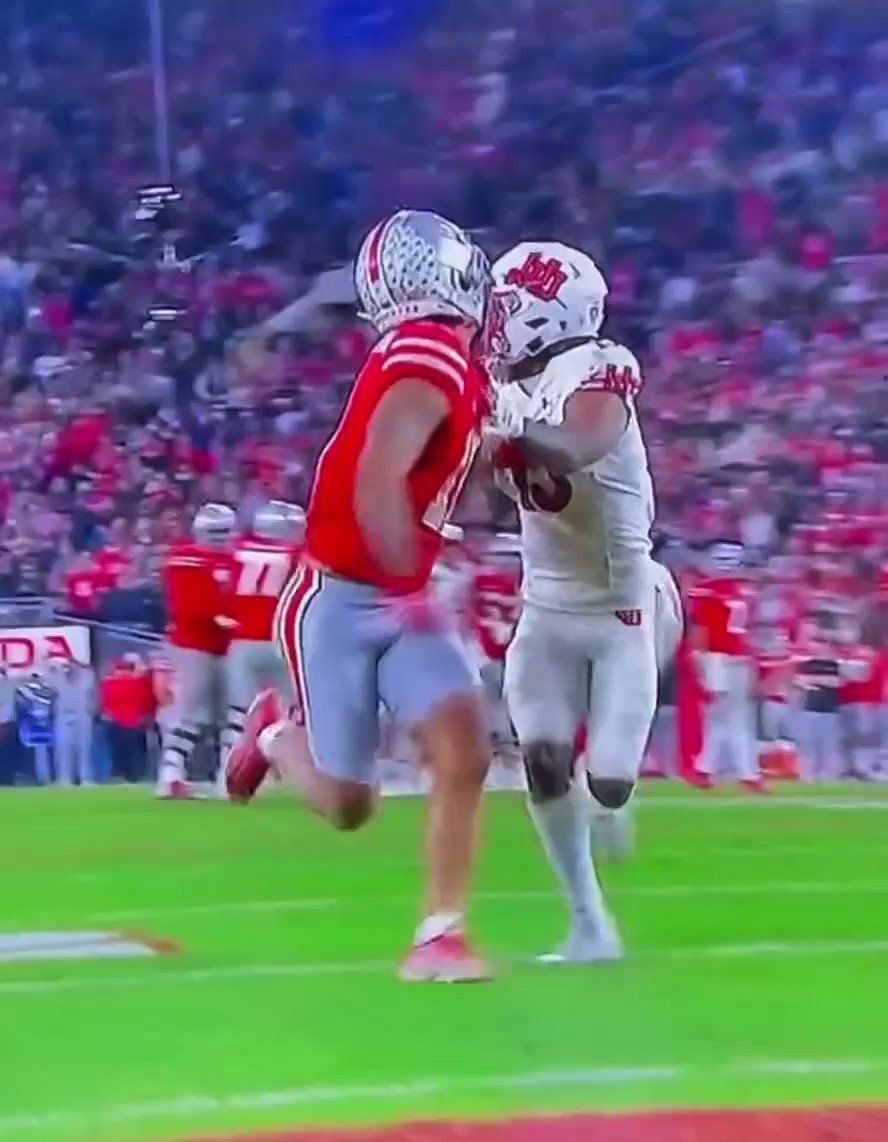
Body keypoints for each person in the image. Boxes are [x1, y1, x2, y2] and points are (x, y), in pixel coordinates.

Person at [226, 209, 494, 982]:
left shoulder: (448, 361)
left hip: (393, 585)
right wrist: (410, 578)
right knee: (349, 805)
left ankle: (439, 935)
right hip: (343, 595)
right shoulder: (429, 356)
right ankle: (276, 733)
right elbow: (379, 478)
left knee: (464, 747)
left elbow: (431, 474)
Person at [485, 241, 680, 963]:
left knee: (609, 781)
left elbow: (574, 446)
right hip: (546, 605)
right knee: (539, 760)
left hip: (620, 605)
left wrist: (498, 434)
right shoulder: (504, 384)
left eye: (508, 308)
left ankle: (667, 612)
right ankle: (589, 923)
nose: (495, 323)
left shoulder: (596, 369)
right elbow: (486, 470)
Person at [156, 503, 235, 799]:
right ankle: (171, 773)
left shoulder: (233, 557)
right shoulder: (185, 558)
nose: (220, 537)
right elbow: (189, 607)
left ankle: (225, 775)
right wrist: (225, 618)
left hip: (223, 644)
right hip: (195, 644)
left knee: (226, 713)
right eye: (215, 532)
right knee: (194, 712)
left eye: (224, 531)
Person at [220, 501, 304, 775]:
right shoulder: (297, 554)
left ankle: (227, 775)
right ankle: (291, 770)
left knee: (238, 713)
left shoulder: (239, 551)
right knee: (296, 711)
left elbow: (225, 597)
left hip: (243, 640)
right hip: (282, 641)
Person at [688, 541, 763, 791]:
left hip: (717, 657)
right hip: (733, 656)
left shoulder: (706, 590)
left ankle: (710, 769)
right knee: (735, 717)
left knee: (720, 717)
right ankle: (741, 772)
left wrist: (698, 659)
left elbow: (700, 628)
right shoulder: (743, 591)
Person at [99, 654, 157, 783]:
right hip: (136, 724)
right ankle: (136, 777)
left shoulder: (108, 683)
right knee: (137, 754)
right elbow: (149, 703)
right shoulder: (143, 683)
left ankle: (121, 776)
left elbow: (104, 704)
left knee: (119, 754)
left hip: (117, 724)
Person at [50, 659, 95, 785]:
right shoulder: (58, 680)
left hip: (82, 715)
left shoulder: (86, 679)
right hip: (63, 715)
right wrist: (57, 668)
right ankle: (64, 778)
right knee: (63, 747)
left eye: (72, 667)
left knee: (84, 748)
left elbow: (93, 691)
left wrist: (92, 708)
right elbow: (49, 676)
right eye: (66, 667)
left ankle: (85, 778)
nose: (69, 669)